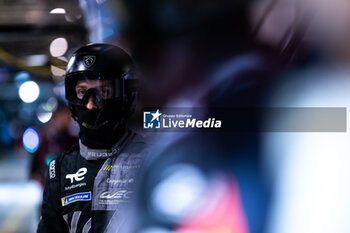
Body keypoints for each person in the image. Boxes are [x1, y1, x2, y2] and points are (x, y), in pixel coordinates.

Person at [37, 43, 147, 233]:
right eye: (82, 92)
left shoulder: (151, 159)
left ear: (127, 96)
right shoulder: (60, 170)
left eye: (103, 92)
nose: (90, 104)